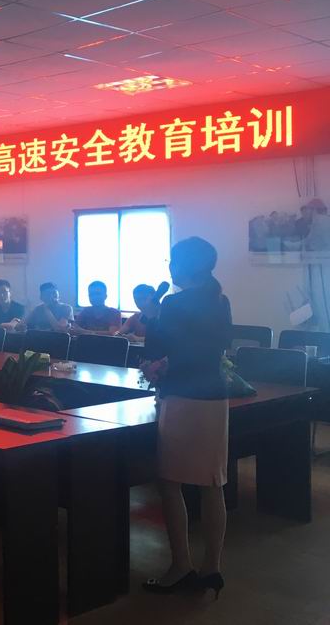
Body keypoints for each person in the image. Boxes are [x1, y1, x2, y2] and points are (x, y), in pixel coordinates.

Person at [141, 237, 231, 599]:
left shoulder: (173, 303)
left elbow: (157, 348)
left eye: (172, 261)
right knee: (212, 483)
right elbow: (210, 350)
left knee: (170, 482)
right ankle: (212, 568)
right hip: (215, 397)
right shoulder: (220, 300)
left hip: (182, 398)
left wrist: (152, 318)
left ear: (184, 266)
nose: (170, 267)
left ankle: (181, 566)